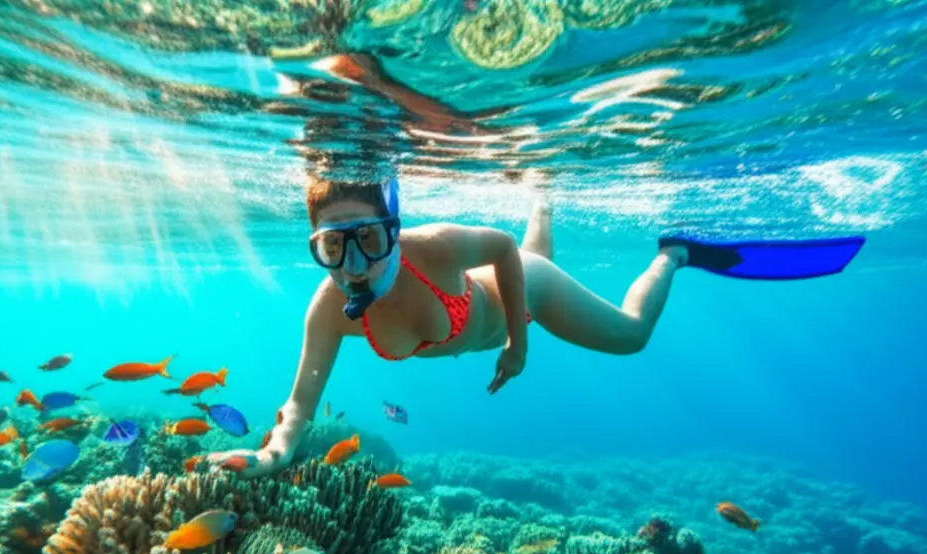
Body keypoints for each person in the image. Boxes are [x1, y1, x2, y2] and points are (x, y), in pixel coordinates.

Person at [208, 176, 749, 478]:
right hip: (500, 302)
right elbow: (300, 404)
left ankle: (673, 254)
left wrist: (519, 342)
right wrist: (272, 454)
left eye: (368, 239)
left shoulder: (432, 247)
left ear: (393, 232)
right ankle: (543, 197)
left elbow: (502, 249)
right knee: (537, 246)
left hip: (526, 289)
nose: (353, 264)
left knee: (631, 336)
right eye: (332, 246)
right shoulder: (328, 309)